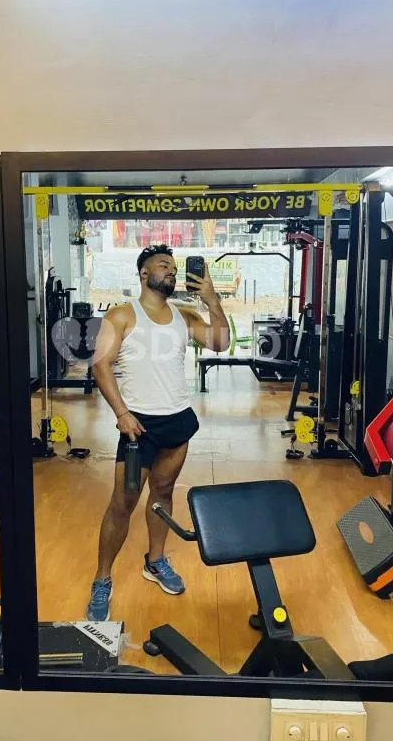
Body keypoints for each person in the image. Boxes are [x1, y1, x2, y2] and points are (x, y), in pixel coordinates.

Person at [86, 243, 230, 621]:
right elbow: (100, 365)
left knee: (163, 494)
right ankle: (102, 579)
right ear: (144, 273)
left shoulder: (185, 315)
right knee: (123, 503)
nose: (171, 270)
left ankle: (155, 560)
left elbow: (221, 343)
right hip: (139, 431)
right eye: (163, 265)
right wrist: (121, 413)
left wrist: (212, 300)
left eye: (173, 267)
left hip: (177, 423)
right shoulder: (122, 315)